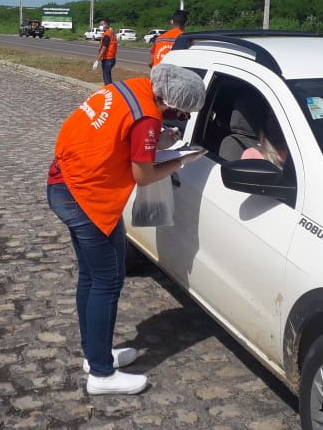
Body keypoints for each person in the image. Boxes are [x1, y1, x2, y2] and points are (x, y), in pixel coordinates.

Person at [47, 63, 207, 395]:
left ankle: (95, 355)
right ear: (174, 102)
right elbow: (143, 175)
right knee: (107, 282)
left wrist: (156, 139)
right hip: (87, 196)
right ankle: (102, 376)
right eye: (184, 111)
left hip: (65, 181)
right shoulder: (148, 116)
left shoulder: (131, 88)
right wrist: (181, 160)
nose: (184, 117)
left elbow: (119, 132)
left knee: (91, 277)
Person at [95, 19, 118, 85]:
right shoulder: (111, 33)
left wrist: (97, 60)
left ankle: (109, 91)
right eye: (100, 25)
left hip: (107, 58)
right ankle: (110, 88)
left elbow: (104, 48)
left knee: (106, 78)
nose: (100, 26)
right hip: (112, 58)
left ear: (105, 25)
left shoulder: (106, 35)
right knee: (108, 75)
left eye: (101, 25)